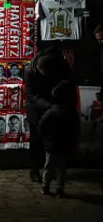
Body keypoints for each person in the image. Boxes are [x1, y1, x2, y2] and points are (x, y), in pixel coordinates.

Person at [24, 46, 71, 183]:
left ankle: (51, 170)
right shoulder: (29, 70)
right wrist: (47, 105)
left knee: (52, 141)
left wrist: (59, 94)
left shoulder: (59, 66)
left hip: (54, 106)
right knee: (36, 141)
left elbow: (68, 82)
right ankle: (35, 170)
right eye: (42, 71)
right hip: (36, 108)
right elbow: (31, 94)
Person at [38, 80, 80, 197]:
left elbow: (41, 126)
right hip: (64, 145)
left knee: (48, 166)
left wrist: (43, 140)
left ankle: (45, 187)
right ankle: (59, 189)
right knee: (61, 168)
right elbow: (75, 130)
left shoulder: (51, 112)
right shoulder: (72, 113)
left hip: (51, 145)